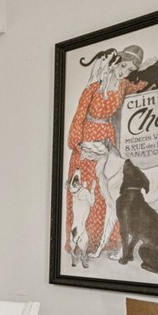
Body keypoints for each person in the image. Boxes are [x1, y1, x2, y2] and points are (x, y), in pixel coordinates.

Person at [65, 45, 148, 257]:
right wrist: (77, 143)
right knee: (86, 188)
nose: (124, 72)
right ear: (115, 62)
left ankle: (102, 240)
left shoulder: (124, 85)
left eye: (129, 70)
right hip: (88, 135)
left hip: (107, 138)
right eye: (123, 66)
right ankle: (81, 240)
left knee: (106, 187)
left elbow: (145, 84)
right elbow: (79, 113)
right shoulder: (96, 83)